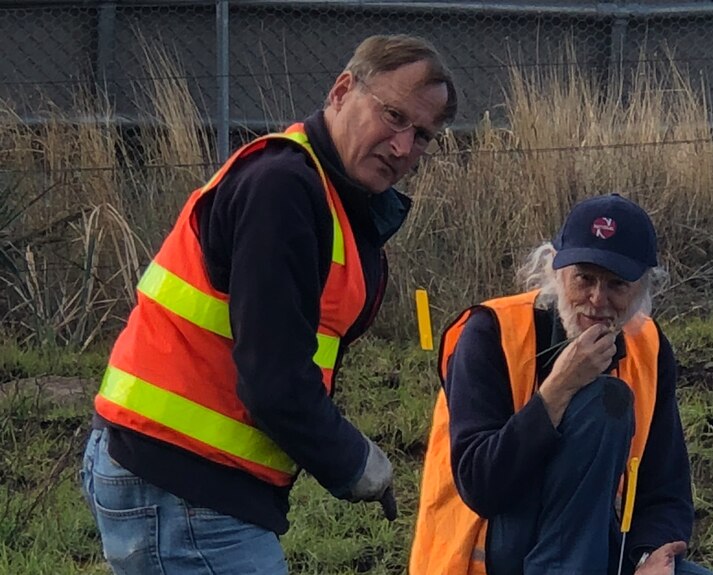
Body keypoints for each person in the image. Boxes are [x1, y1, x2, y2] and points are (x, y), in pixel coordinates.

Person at [80, 34, 457, 574]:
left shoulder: (324, 192)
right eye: (393, 116)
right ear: (342, 90)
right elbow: (273, 382)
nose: (403, 147)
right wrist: (355, 462)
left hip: (178, 475)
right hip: (182, 483)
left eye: (422, 135)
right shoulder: (284, 188)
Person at [410, 193, 713, 575]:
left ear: (642, 289)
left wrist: (648, 558)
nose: (596, 300)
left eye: (617, 284)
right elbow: (482, 486)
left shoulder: (649, 346)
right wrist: (558, 389)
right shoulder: (490, 332)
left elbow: (666, 489)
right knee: (607, 400)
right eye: (584, 278)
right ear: (555, 269)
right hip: (489, 550)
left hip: (595, 542)